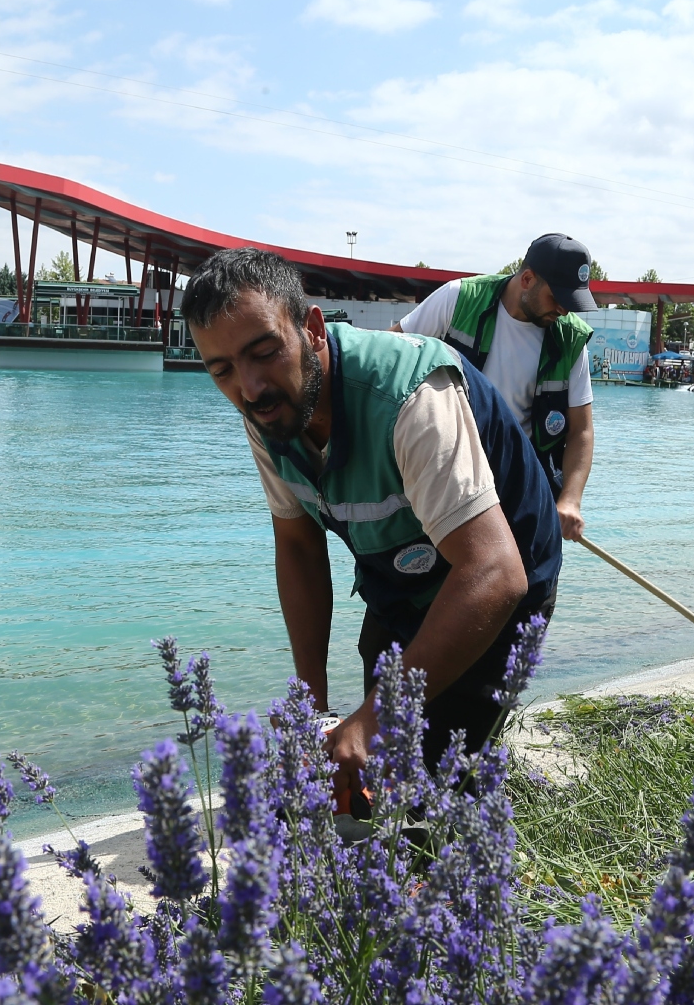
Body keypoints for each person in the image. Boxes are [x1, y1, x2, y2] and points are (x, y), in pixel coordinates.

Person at [183, 248, 562, 800]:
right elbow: (299, 548)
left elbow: (494, 572)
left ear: (312, 329)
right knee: (358, 773)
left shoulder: (410, 398)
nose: (250, 386)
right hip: (401, 572)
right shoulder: (268, 409)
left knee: (425, 788)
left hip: (499, 574)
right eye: (222, 370)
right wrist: (311, 710)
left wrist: (371, 720)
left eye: (264, 352)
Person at [389, 234, 599, 541]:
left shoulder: (571, 341)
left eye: (571, 303)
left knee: (528, 583)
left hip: (521, 486)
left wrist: (570, 499)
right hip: (442, 474)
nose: (564, 311)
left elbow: (581, 430)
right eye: (557, 299)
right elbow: (391, 355)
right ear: (527, 279)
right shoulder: (458, 299)